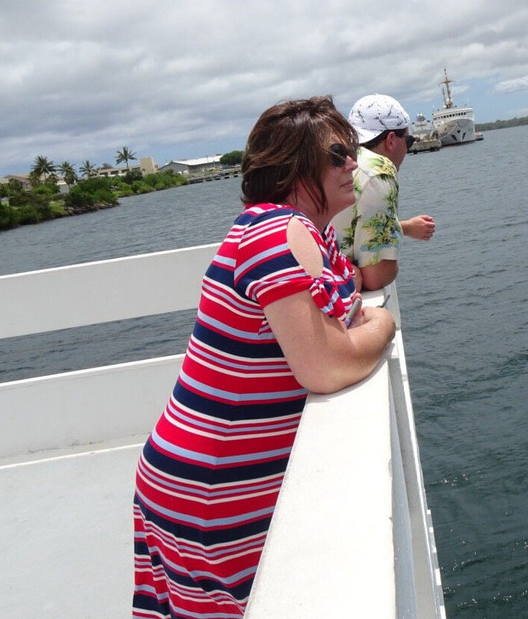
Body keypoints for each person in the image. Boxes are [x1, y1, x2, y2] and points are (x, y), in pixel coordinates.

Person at [132, 97, 397, 618]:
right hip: (212, 489)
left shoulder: (300, 232)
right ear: (293, 168)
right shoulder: (276, 235)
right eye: (338, 154)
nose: (353, 164)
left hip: (201, 478)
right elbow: (326, 366)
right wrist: (384, 325)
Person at [330, 93, 435, 291]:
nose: (408, 148)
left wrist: (402, 227)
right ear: (391, 140)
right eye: (409, 141)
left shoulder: (335, 158)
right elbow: (376, 277)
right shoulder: (379, 171)